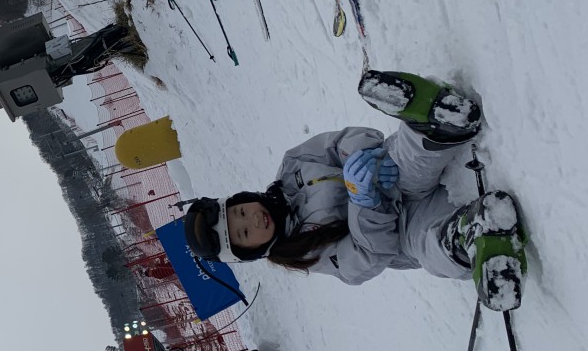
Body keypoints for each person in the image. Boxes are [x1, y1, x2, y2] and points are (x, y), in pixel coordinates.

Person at [180, 70, 529, 311]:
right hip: (402, 230)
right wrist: (364, 201)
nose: (253, 220)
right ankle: (471, 235)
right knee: (428, 246)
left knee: (404, 156)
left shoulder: (292, 167)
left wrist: (361, 157)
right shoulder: (306, 253)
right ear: (252, 251)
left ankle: (440, 122)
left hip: (390, 177)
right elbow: (369, 256)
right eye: (244, 233)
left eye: (241, 211)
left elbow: (341, 141)